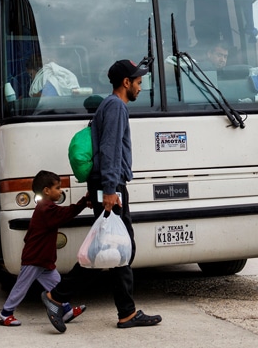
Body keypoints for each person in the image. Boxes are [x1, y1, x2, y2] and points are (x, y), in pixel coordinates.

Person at [42, 59, 162, 333]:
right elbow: (109, 150)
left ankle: (126, 312)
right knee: (111, 248)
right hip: (111, 186)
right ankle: (56, 297)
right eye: (139, 83)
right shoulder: (116, 106)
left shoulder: (108, 106)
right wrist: (110, 189)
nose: (141, 88)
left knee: (116, 248)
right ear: (126, 83)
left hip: (107, 184)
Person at [0, 170, 90, 326]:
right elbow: (65, 214)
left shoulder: (45, 207)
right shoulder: (46, 208)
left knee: (57, 285)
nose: (60, 191)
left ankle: (66, 311)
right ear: (47, 191)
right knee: (22, 286)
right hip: (35, 258)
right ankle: (6, 313)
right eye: (58, 188)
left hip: (43, 258)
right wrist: (83, 202)